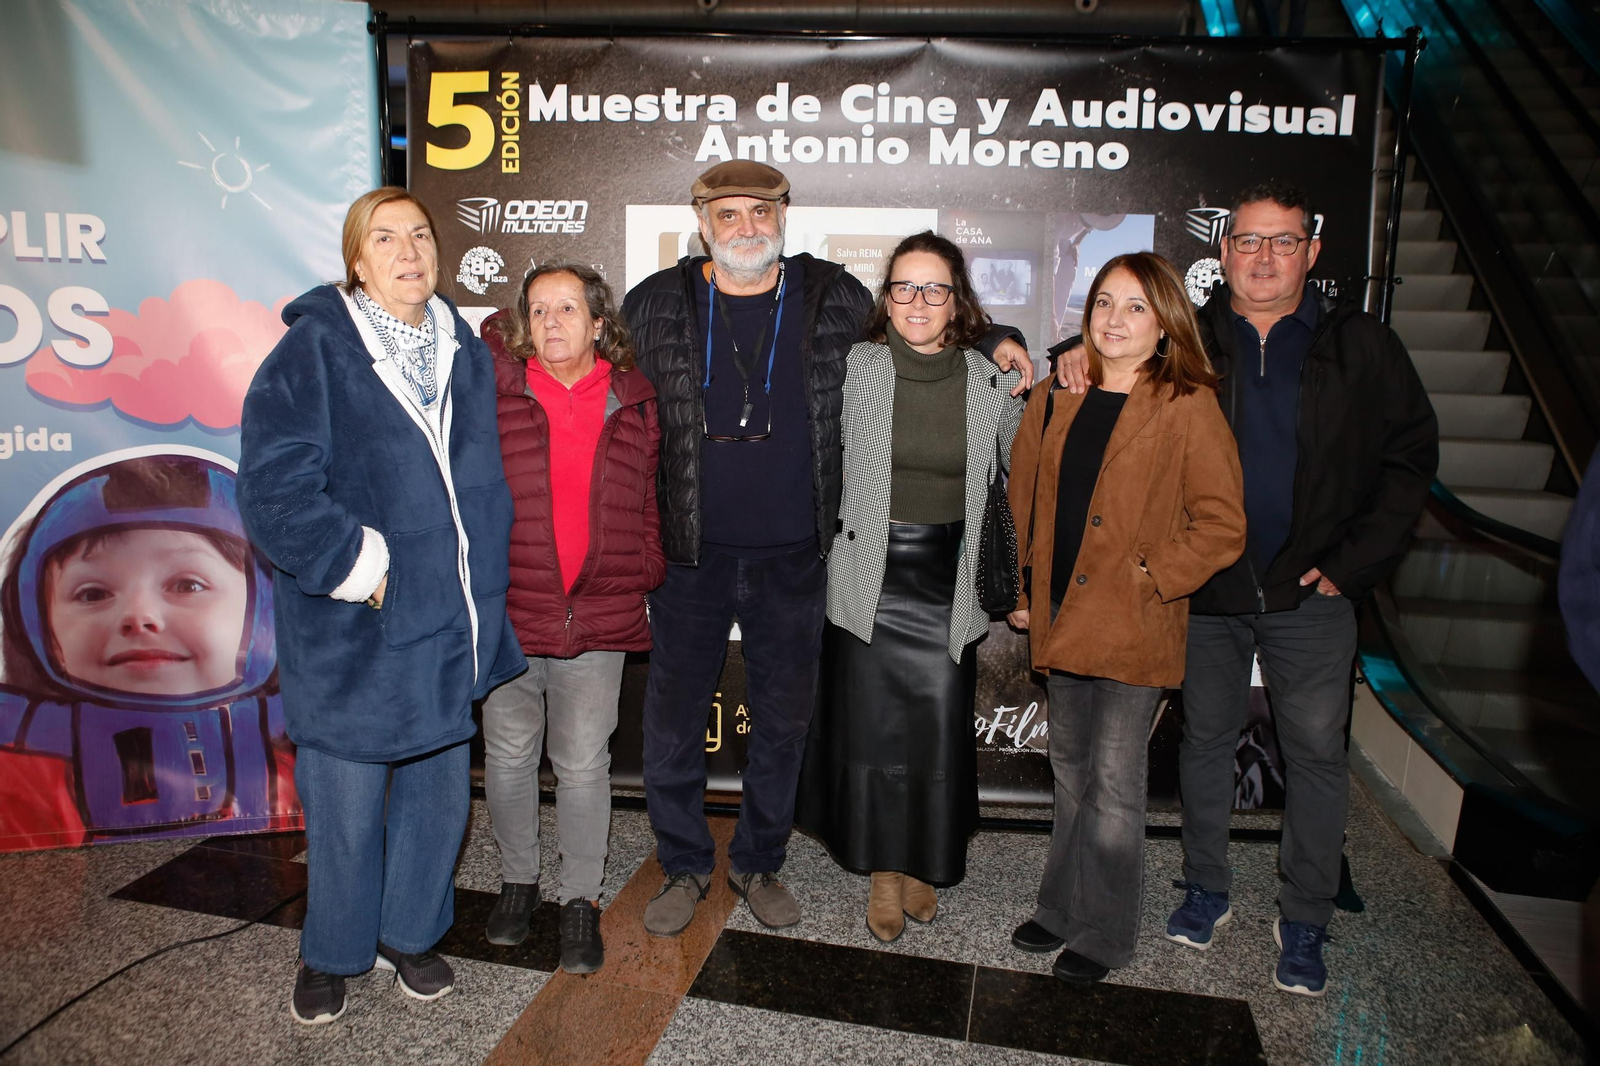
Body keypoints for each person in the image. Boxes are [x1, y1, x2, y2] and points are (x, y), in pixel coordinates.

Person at [621, 160, 1034, 937]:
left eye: (762, 211)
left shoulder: (831, 295)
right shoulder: (656, 303)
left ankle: (758, 860)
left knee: (782, 725)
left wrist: (999, 336)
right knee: (673, 722)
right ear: (702, 222)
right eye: (729, 213)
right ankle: (683, 862)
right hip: (691, 555)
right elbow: (594, 372)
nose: (747, 226)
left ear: (785, 215)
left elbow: (920, 328)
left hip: (797, 556)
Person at [1055, 182, 1438, 996]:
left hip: (1311, 593)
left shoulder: (1361, 344)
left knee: (1316, 755)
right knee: (1204, 743)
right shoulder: (1192, 337)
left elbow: (1410, 459)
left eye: (1283, 241)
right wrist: (1061, 351)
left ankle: (1305, 917)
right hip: (1208, 592)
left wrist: (1353, 564)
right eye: (1250, 241)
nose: (1265, 257)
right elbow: (1113, 344)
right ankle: (1205, 888)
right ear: (1224, 252)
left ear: (1311, 251)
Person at [237, 187, 524, 1025]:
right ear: (357, 261)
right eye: (386, 238)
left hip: (451, 618)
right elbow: (274, 490)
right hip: (355, 628)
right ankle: (331, 952)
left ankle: (412, 935)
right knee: (347, 807)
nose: (409, 251)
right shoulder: (315, 348)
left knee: (438, 797)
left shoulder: (465, 349)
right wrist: (365, 571)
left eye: (421, 235)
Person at [1006, 252, 1245, 983]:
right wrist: (1025, 587)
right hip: (1062, 614)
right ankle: (1059, 906)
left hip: (1135, 622)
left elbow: (1222, 523)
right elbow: (1023, 500)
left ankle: (1106, 932)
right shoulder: (1057, 394)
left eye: (1136, 306)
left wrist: (1152, 575)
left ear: (1166, 322)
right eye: (1105, 302)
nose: (1115, 318)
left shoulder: (1188, 403)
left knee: (1114, 781)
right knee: (1070, 770)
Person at [795, 231, 1022, 943]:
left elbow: (1024, 469)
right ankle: (885, 872)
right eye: (903, 287)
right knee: (873, 731)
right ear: (886, 298)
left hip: (948, 578)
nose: (918, 301)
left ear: (957, 302)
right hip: (870, 572)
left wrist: (1011, 342)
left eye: (934, 288)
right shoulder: (855, 367)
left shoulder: (990, 382)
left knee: (934, 730)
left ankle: (922, 857)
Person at [478, 263, 664, 974]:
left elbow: (648, 500)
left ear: (598, 323)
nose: (551, 321)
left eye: (566, 308)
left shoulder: (633, 400)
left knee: (584, 762)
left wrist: (644, 566)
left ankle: (580, 898)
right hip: (512, 608)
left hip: (599, 609)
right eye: (538, 309)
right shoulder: (497, 393)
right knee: (509, 754)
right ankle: (519, 880)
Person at [0, 453, 291, 851]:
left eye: (187, 585)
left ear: (264, 613)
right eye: (93, 593)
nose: (139, 617)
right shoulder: (19, 774)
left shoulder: (312, 750)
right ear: (43, 629)